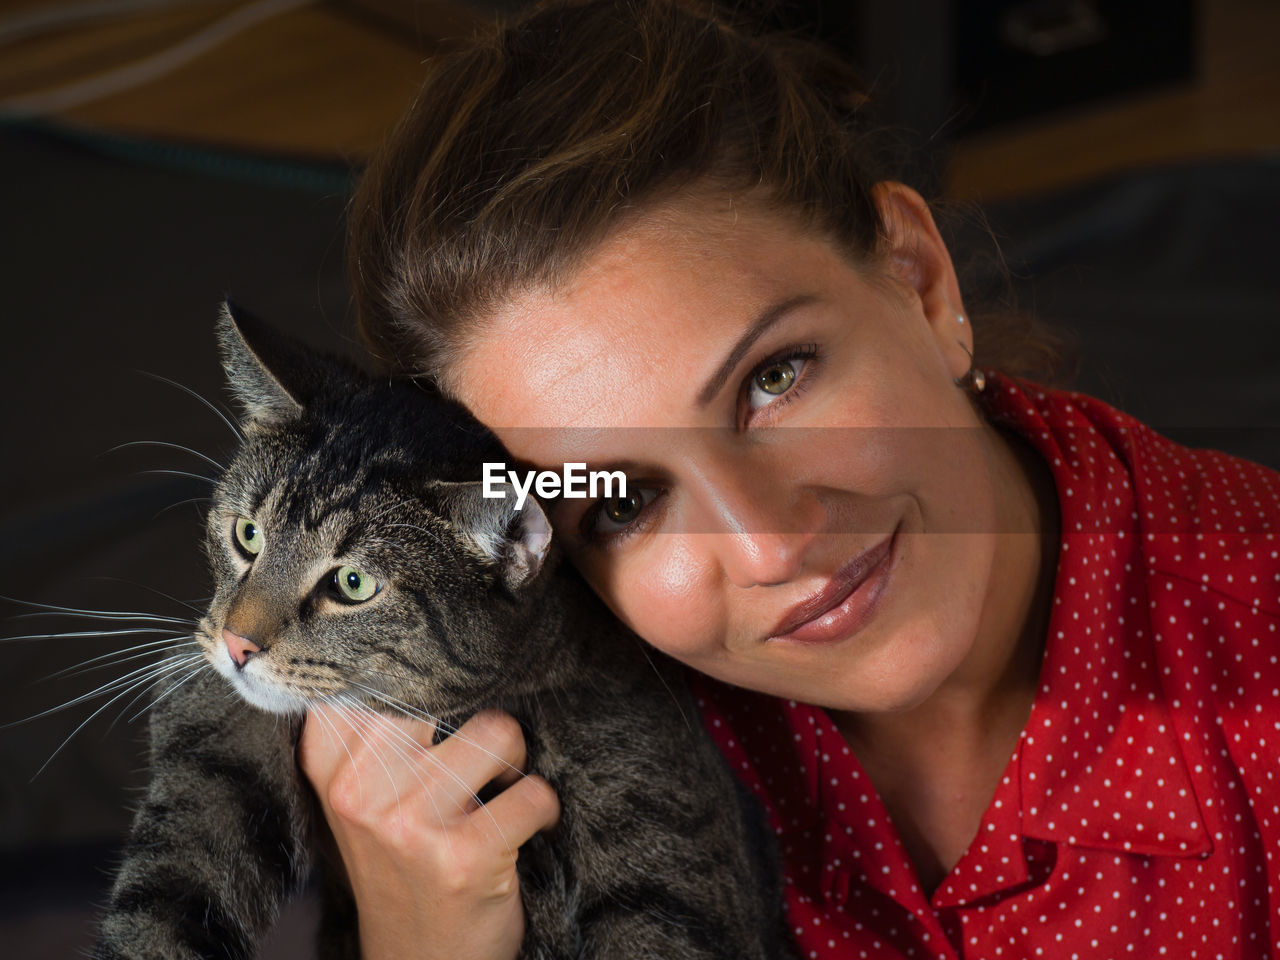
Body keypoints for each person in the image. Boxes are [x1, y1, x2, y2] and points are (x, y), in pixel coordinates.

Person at [296, 1, 1280, 957]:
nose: (768, 546)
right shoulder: (520, 760)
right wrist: (426, 932)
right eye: (623, 504)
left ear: (917, 279)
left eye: (775, 378)